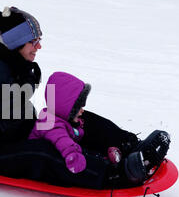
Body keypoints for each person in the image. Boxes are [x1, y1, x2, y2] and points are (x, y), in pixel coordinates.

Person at [0, 6, 170, 189]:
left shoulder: (20, 64)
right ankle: (116, 175)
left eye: (39, 40)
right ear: (17, 43)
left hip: (24, 129)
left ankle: (131, 145)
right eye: (33, 41)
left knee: (75, 117)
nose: (39, 46)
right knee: (45, 154)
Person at [29, 71, 171, 187]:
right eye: (78, 107)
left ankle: (130, 150)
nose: (82, 110)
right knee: (78, 155)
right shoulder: (50, 124)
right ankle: (117, 174)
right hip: (64, 158)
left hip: (71, 148)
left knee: (89, 130)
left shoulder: (60, 117)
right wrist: (74, 156)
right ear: (65, 108)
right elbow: (64, 143)